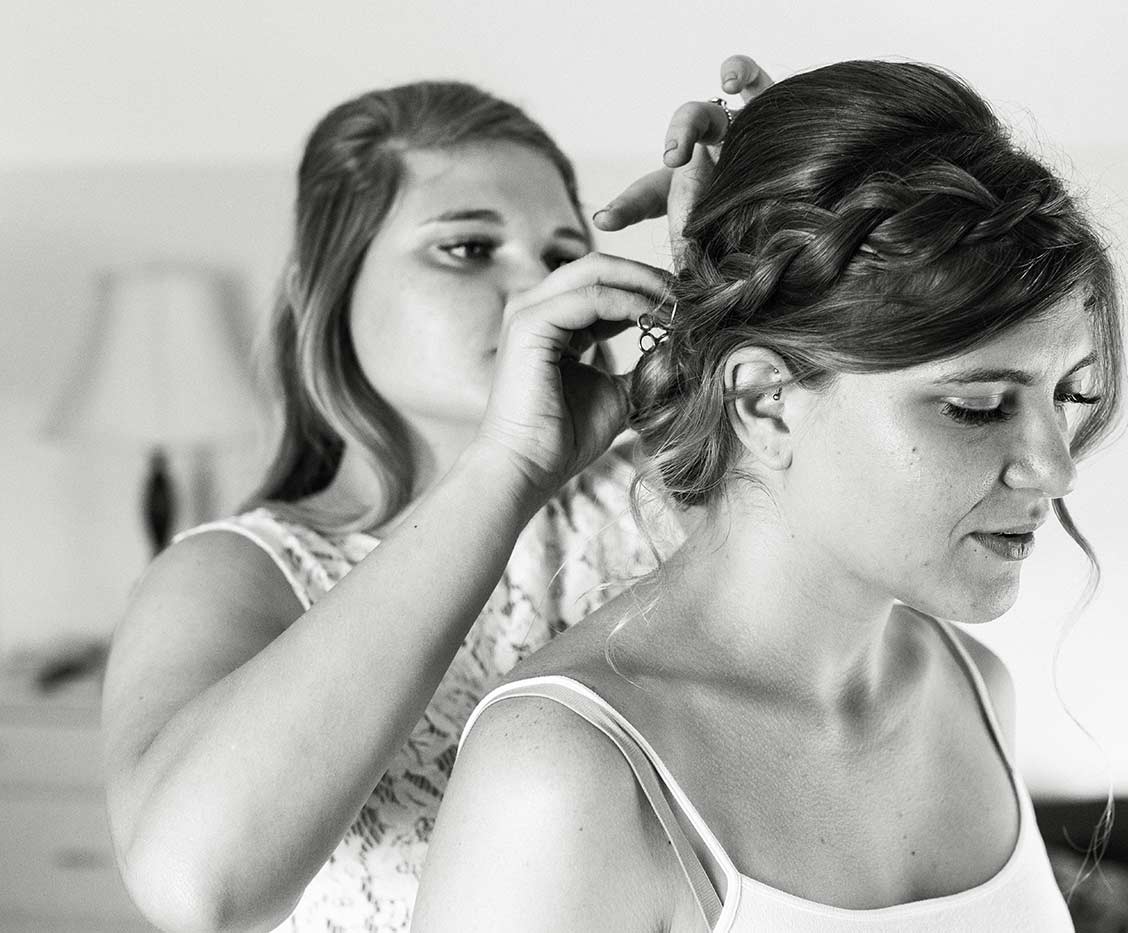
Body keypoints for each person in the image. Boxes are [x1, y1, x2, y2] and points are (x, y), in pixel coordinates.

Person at [412, 59, 1126, 932]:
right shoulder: (566, 774)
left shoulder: (973, 688)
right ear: (763, 403)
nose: (1054, 468)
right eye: (977, 407)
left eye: (1071, 395)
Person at [100, 57, 774, 933]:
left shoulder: (669, 497)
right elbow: (201, 887)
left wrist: (768, 251)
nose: (538, 286)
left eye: (566, 255)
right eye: (466, 247)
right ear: (332, 284)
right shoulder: (234, 574)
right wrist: (505, 465)